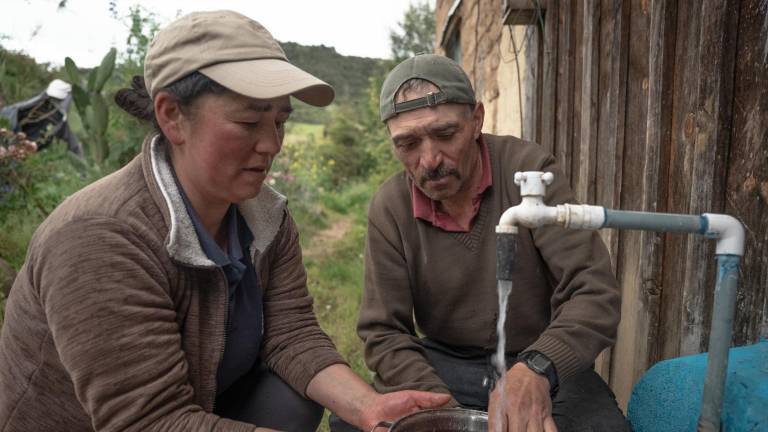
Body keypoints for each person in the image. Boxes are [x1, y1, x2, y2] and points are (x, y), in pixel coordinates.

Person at [0, 11, 450, 432]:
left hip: (200, 401)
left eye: (280, 121)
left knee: (292, 398)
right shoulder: (101, 237)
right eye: (249, 121)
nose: (271, 144)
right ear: (172, 116)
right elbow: (151, 421)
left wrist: (368, 406)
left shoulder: (264, 216)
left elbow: (291, 334)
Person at [353, 54, 632, 432]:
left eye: (445, 134)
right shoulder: (391, 206)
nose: (430, 159)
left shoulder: (529, 173)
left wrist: (538, 368)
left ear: (477, 120)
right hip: (443, 363)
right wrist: (444, 413)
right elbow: (383, 331)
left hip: (537, 358)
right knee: (357, 422)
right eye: (408, 143)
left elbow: (594, 292)